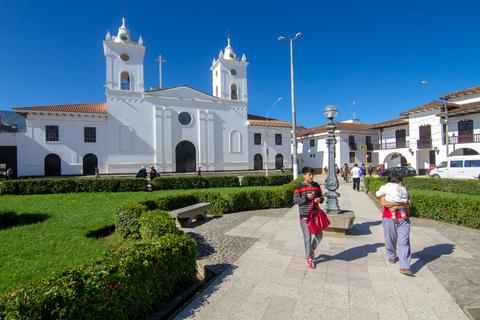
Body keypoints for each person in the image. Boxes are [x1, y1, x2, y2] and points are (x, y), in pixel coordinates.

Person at [377, 173, 412, 276]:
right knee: (390, 239)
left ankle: (405, 266)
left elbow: (408, 203)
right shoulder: (385, 189)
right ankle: (391, 255)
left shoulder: (403, 190)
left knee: (404, 242)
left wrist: (395, 206)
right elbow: (384, 203)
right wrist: (399, 204)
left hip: (403, 218)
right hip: (389, 218)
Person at [293, 167, 325, 269]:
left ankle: (311, 248)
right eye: (309, 175)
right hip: (304, 216)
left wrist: (319, 199)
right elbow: (296, 200)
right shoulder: (299, 186)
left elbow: (322, 197)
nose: (311, 176)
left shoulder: (316, 185)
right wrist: (307, 198)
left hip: (315, 215)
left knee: (319, 236)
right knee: (307, 238)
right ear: (304, 175)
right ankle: (309, 258)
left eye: (312, 174)